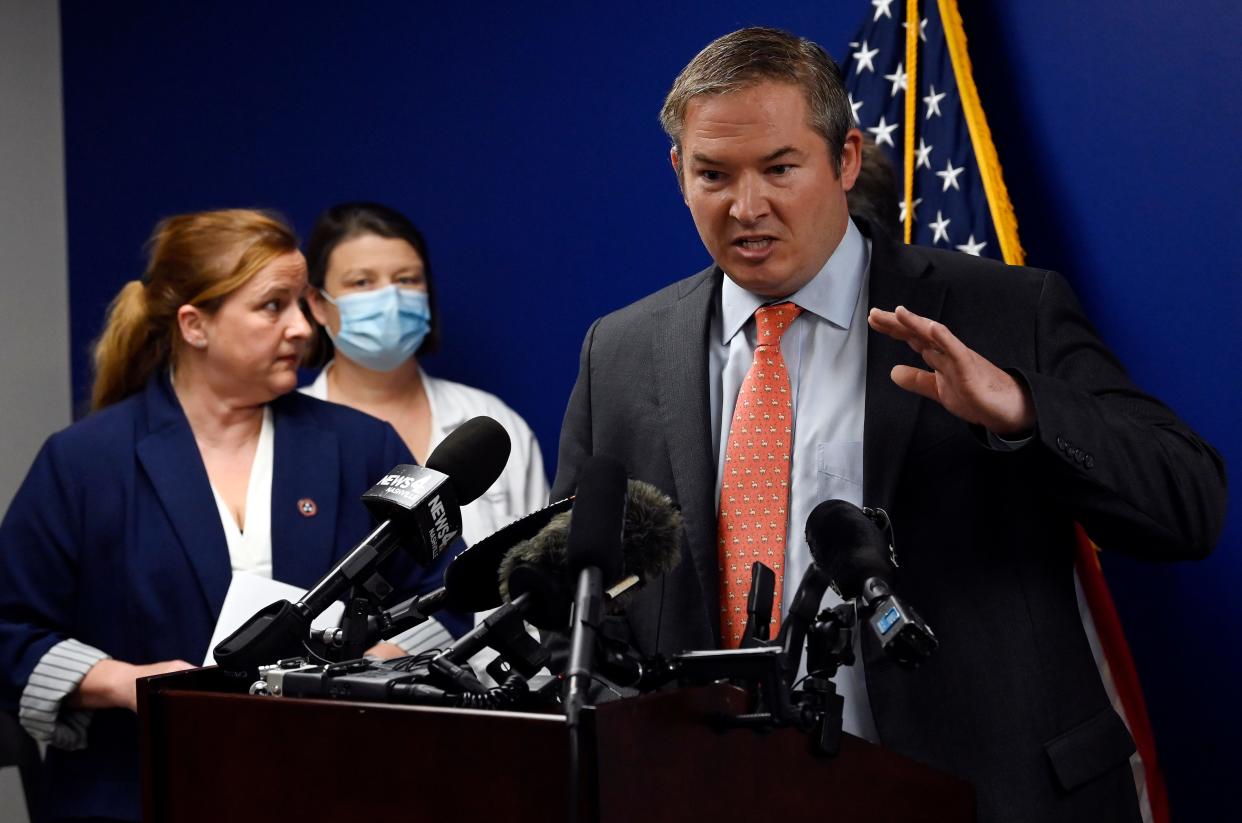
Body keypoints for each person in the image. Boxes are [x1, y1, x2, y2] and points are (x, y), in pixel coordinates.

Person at [551, 27, 1226, 823]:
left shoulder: (1004, 310)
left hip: (986, 796)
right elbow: (575, 600)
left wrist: (1020, 409)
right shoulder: (621, 350)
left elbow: (1189, 506)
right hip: (728, 794)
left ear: (843, 160)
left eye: (779, 168)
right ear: (679, 173)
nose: (747, 206)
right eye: (713, 174)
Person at [0, 209, 464, 823]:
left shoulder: (364, 446)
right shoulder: (84, 462)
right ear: (195, 326)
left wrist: (382, 661)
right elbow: (10, 630)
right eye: (274, 306)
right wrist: (128, 683)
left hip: (338, 784)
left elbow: (451, 594)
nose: (302, 327)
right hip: (138, 788)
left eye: (303, 304)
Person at [301, 202, 549, 546]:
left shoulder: (490, 421)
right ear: (317, 303)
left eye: (406, 280)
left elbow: (538, 564)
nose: (390, 299)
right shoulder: (283, 434)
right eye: (362, 282)